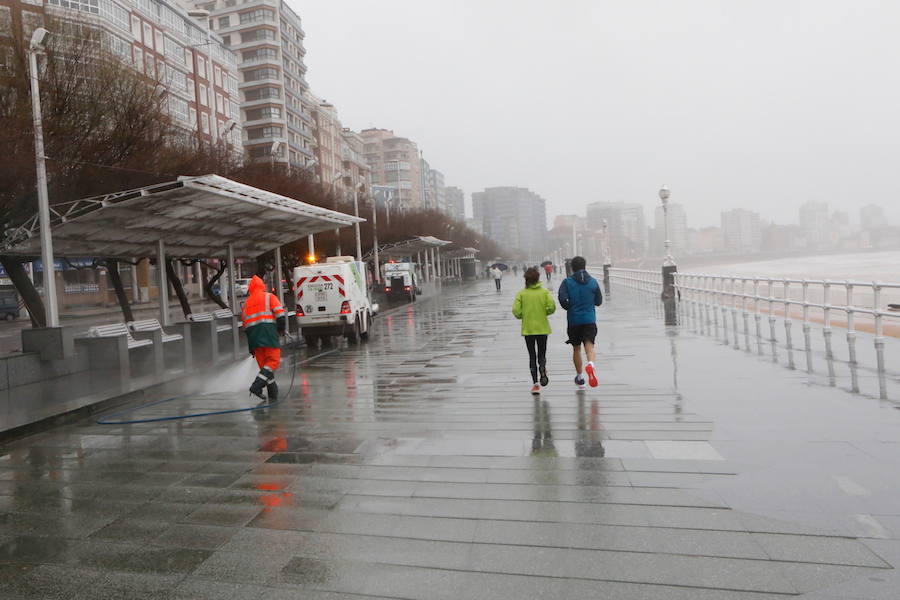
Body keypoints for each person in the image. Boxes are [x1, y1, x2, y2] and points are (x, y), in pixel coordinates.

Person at [557, 256, 602, 389]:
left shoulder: (567, 282)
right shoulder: (593, 282)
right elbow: (598, 301)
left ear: (572, 267)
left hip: (574, 320)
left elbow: (562, 299)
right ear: (585, 266)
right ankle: (591, 364)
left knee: (576, 348)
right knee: (589, 346)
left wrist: (570, 305)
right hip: (589, 320)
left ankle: (580, 377)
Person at [241, 275, 286, 402]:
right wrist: (281, 329)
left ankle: (272, 392)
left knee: (265, 368)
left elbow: (246, 327)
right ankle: (256, 386)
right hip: (268, 334)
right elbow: (280, 315)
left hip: (254, 339)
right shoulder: (269, 297)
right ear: (262, 286)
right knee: (273, 361)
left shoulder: (246, 303)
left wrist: (251, 347)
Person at [512, 267, 556, 394]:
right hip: (542, 328)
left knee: (532, 355)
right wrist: (544, 312)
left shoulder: (521, 294)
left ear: (526, 280)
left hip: (528, 329)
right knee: (542, 354)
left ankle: (535, 384)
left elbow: (516, 311)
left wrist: (523, 315)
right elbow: (552, 307)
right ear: (538, 279)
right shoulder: (544, 292)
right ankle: (542, 367)